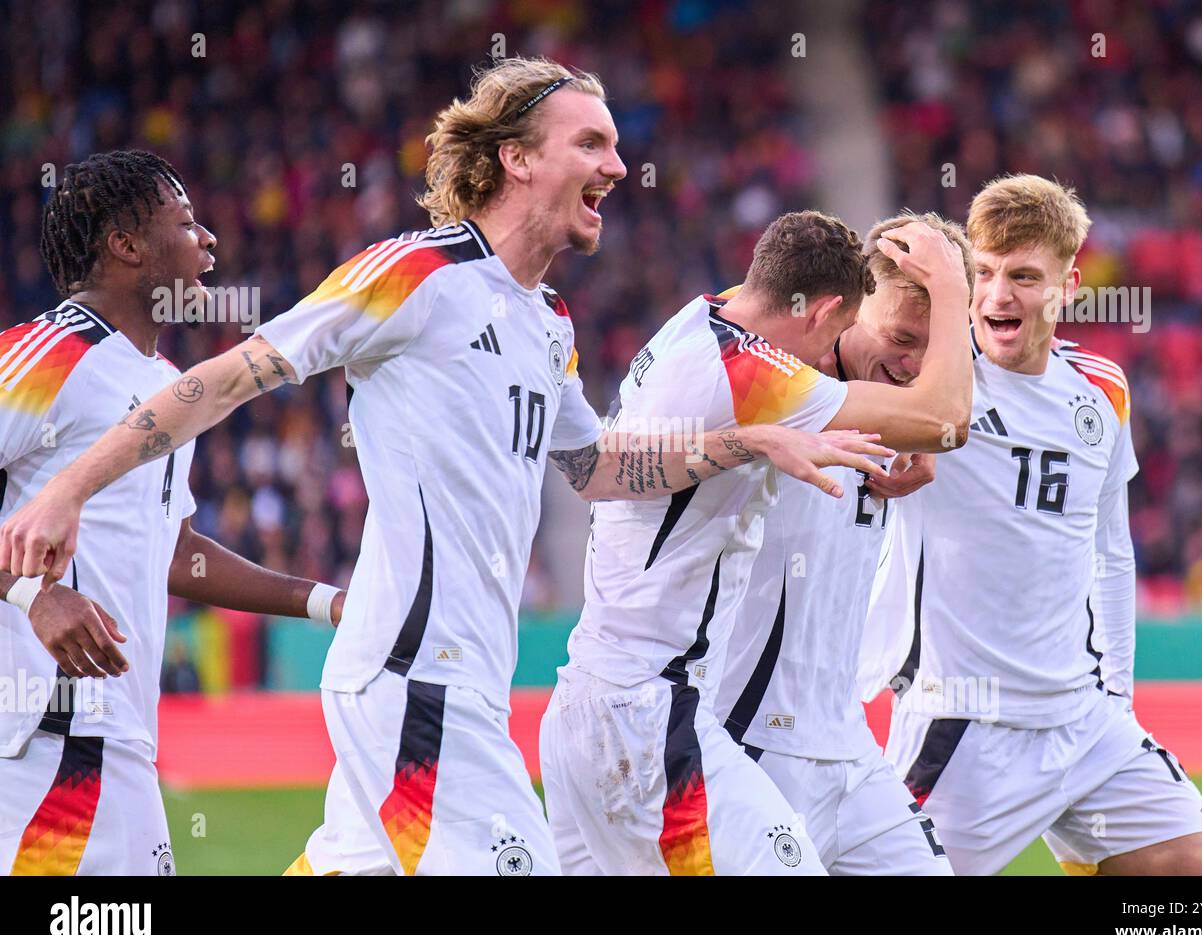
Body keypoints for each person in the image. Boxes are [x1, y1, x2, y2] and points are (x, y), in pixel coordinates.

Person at [0, 60, 876, 877]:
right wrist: (66, 491)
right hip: (415, 682)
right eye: (591, 144)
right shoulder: (414, 273)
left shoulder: (549, 322)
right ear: (517, 160)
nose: (618, 164)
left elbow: (599, 467)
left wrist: (747, 442)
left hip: (462, 685)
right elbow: (224, 380)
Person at [539, 210, 972, 874]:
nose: (829, 359)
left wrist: (754, 440)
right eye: (842, 329)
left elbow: (593, 470)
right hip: (649, 713)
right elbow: (944, 420)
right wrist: (952, 290)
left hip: (610, 702)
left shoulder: (697, 321)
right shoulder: (755, 373)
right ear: (828, 312)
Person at [870, 174, 1202, 876]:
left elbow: (1110, 553)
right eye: (983, 273)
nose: (998, 296)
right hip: (963, 728)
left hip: (1087, 724)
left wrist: (1119, 703)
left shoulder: (1101, 389)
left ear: (1068, 285)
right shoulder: (924, 379)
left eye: (1024, 276)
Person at [0, 150, 344, 876]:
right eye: (186, 224)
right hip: (38, 745)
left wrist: (326, 602)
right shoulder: (46, 356)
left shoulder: (166, 387)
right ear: (126, 245)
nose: (210, 242)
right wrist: (36, 594)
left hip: (120, 741)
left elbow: (177, 552)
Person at [715, 211, 974, 876]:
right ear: (848, 309)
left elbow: (937, 421)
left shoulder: (885, 407)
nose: (915, 363)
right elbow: (946, 423)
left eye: (934, 343)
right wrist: (949, 290)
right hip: (753, 741)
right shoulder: (782, 380)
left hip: (848, 745)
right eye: (898, 336)